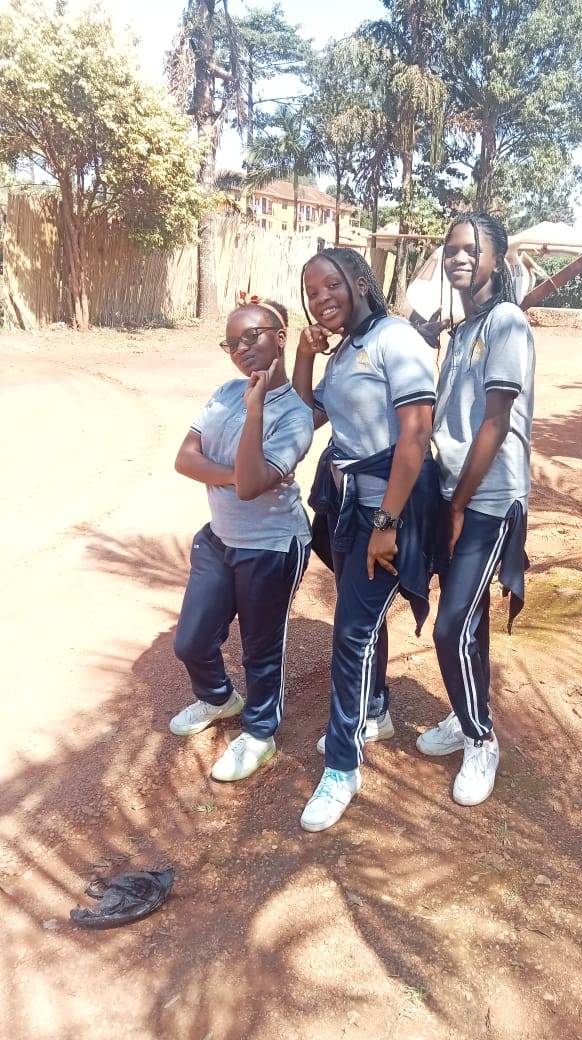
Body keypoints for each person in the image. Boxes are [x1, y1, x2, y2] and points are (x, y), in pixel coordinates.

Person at [293, 247, 438, 832]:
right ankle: (374, 709)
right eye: (312, 291)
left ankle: (342, 766)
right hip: (350, 505)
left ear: (359, 281)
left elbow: (416, 434)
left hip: (389, 509)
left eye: (331, 284)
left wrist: (387, 523)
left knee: (351, 632)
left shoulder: (394, 339)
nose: (321, 298)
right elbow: (306, 415)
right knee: (360, 619)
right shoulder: (346, 350)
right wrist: (304, 355)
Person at [416, 212, 535, 807]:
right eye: (451, 248)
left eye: (471, 248)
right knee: (471, 619)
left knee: (450, 625)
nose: (458, 257)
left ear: (497, 258)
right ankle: (467, 713)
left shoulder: (507, 322)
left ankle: (482, 739)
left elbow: (495, 420)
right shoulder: (464, 330)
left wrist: (460, 503)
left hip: (488, 498)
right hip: (453, 491)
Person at [169, 300, 313, 782]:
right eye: (233, 344)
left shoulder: (294, 416)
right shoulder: (226, 391)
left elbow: (252, 488)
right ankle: (218, 698)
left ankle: (259, 732)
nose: (242, 349)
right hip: (220, 538)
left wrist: (256, 410)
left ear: (281, 336)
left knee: (260, 649)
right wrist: (238, 474)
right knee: (191, 640)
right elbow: (185, 460)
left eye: (253, 337)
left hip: (271, 545)